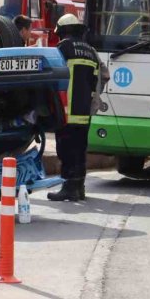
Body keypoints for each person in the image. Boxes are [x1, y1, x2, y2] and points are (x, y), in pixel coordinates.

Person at [48, 13, 100, 202]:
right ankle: (79, 188)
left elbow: (53, 76)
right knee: (80, 150)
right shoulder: (91, 51)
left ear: (63, 32)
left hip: (66, 110)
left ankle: (68, 187)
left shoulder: (63, 48)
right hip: (84, 112)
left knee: (66, 150)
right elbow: (96, 81)